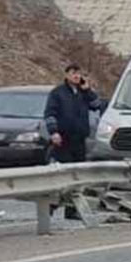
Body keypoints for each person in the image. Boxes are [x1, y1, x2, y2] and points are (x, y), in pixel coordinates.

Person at [43, 63, 106, 219]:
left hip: (79, 140)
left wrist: (88, 90)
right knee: (63, 174)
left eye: (79, 74)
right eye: (73, 73)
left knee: (77, 176)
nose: (77, 76)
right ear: (66, 75)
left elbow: (97, 105)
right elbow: (50, 113)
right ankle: (50, 205)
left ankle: (71, 209)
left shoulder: (83, 93)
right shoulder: (58, 93)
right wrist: (54, 132)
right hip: (63, 140)